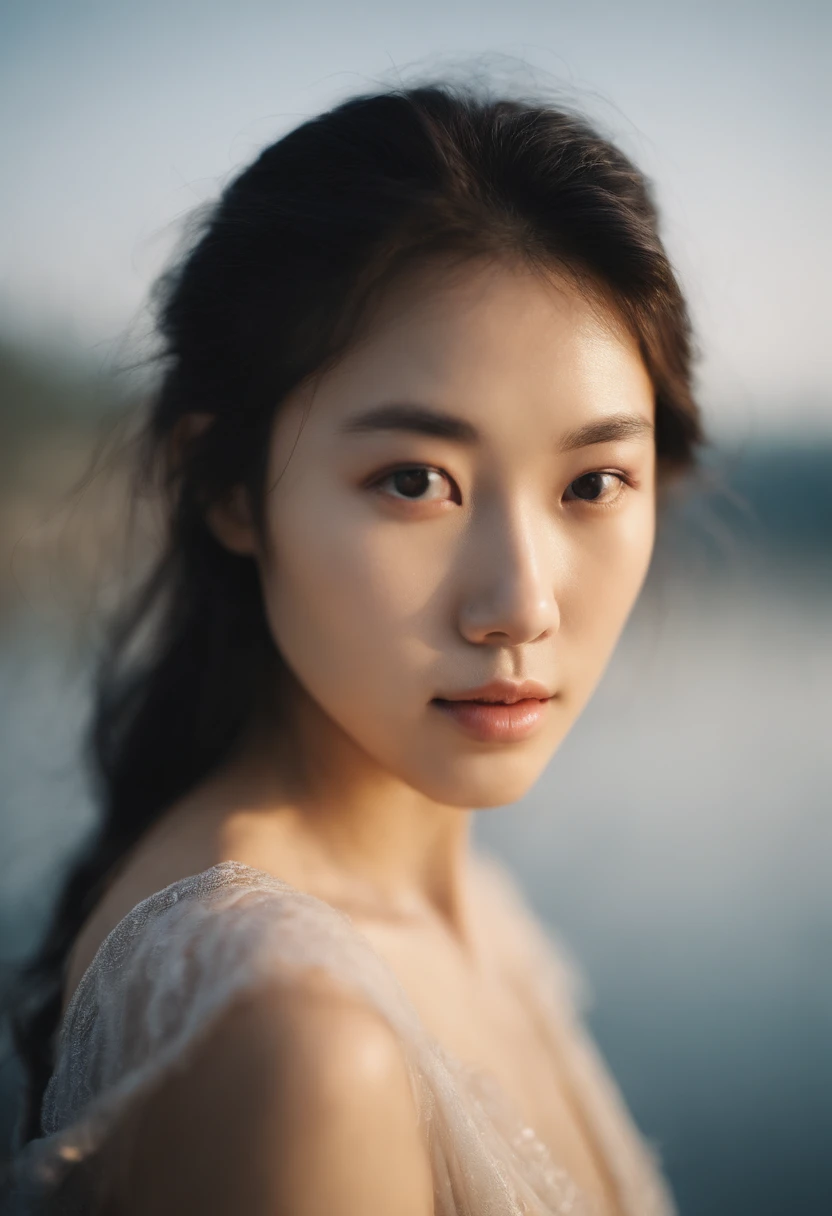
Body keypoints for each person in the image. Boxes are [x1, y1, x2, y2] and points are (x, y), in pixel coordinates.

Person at [5, 80, 704, 1215]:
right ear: (229, 485)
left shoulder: (455, 895)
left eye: (593, 482)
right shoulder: (303, 1047)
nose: (519, 606)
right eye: (415, 481)